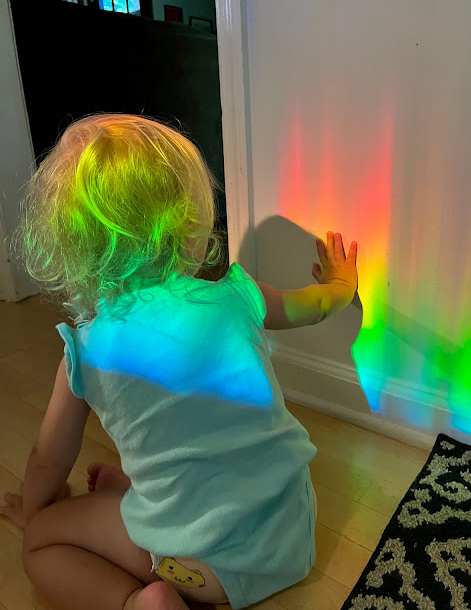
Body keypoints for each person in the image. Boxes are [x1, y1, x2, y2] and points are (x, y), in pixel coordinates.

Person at [0, 114, 358, 610]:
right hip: (291, 533)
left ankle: (135, 603)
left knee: (41, 542)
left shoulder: (86, 351)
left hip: (199, 568)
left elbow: (48, 459)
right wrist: (342, 284)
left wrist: (38, 510)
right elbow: (314, 305)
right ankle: (135, 499)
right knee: (188, 448)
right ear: (190, 223)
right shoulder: (238, 296)